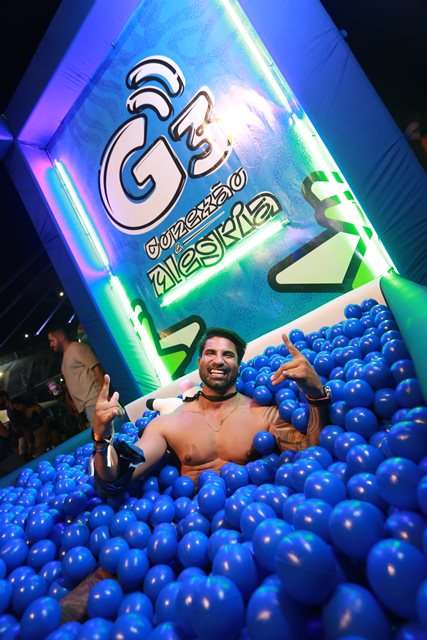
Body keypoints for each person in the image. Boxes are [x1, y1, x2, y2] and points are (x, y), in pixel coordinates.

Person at [93, 327, 331, 497]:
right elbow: (115, 478)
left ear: (239, 365)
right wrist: (102, 440)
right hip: (192, 528)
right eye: (210, 353)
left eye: (228, 354)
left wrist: (316, 395)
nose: (218, 361)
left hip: (256, 514)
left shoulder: (263, 415)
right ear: (199, 362)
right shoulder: (168, 423)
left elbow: (315, 455)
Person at [47, 325, 105, 430]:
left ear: (61, 337)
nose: (51, 345)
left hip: (94, 400)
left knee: (102, 435)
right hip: (87, 406)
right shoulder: (66, 356)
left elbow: (96, 368)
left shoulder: (77, 348)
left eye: (52, 340)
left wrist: (106, 393)